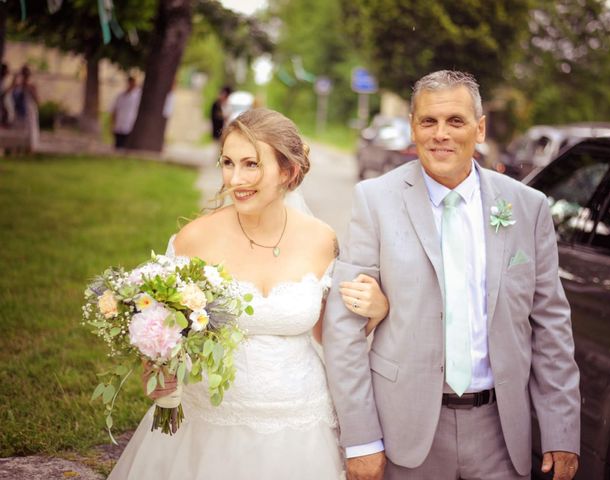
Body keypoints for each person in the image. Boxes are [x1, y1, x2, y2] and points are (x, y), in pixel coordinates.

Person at [323, 70, 581, 480]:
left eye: (455, 121)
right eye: (429, 121)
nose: (440, 133)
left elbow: (551, 324)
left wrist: (561, 430)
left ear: (479, 129)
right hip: (404, 429)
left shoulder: (527, 207)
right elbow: (344, 326)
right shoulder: (375, 200)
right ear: (413, 128)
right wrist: (362, 439)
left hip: (501, 432)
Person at [106, 108, 389, 480]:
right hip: (210, 424)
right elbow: (163, 334)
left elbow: (328, 334)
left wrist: (377, 311)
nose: (235, 179)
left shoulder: (322, 240)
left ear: (287, 171)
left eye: (251, 164)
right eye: (227, 162)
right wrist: (156, 370)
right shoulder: (196, 239)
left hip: (300, 425)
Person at [9, 65, 39, 151]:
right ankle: (17, 148)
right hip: (19, 111)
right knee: (18, 130)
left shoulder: (32, 86)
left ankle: (29, 148)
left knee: (30, 131)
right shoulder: (17, 86)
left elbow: (37, 100)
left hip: (29, 111)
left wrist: (30, 89)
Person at [110, 76, 141, 149]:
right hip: (119, 125)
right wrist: (112, 124)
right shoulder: (120, 96)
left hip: (130, 125)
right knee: (118, 145)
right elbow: (114, 110)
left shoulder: (138, 96)